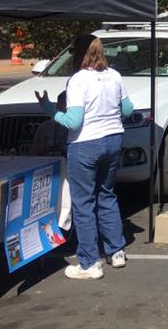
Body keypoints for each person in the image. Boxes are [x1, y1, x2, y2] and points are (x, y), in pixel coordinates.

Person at [36, 35, 132, 279]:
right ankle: (116, 250)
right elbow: (128, 109)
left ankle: (89, 262)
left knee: (83, 202)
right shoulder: (114, 75)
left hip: (85, 143)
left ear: (78, 54)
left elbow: (73, 121)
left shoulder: (78, 80)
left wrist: (50, 110)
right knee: (106, 194)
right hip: (113, 140)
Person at [30, 90, 69, 156]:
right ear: (57, 105)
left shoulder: (82, 127)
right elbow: (34, 151)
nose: (65, 106)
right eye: (62, 102)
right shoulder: (44, 127)